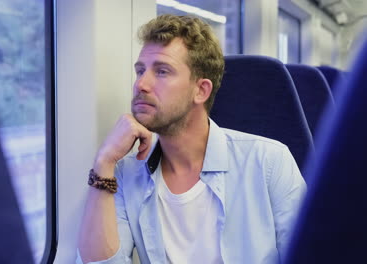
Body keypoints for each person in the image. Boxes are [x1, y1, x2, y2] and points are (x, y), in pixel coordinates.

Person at [77, 14, 306, 264]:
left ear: (201, 90)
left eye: (162, 71)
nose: (141, 84)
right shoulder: (125, 173)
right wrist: (104, 161)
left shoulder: (269, 162)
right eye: (140, 70)